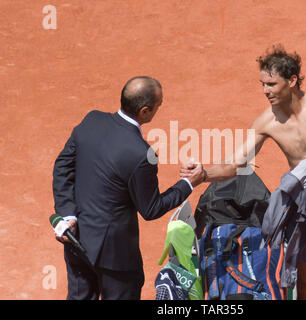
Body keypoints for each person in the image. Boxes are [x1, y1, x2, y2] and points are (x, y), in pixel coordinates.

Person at [181, 45, 306, 300]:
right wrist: (203, 172)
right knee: (305, 289)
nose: (265, 91)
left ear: (292, 80)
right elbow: (237, 163)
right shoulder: (267, 122)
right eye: (262, 84)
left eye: (271, 84)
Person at [52, 76, 205, 300]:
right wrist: (189, 183)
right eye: (159, 105)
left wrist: (68, 215)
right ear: (145, 111)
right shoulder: (142, 155)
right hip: (115, 257)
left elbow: (62, 168)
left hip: (77, 240)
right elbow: (151, 208)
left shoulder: (91, 120)